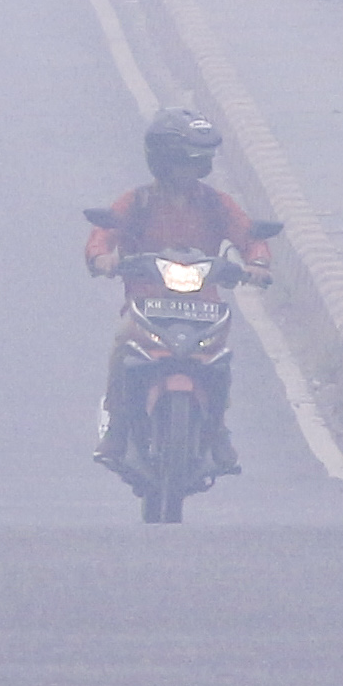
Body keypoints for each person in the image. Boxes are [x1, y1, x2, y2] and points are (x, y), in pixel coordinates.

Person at [88, 107, 273, 475]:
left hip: (204, 307)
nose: (191, 171)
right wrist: (102, 257)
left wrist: (257, 264)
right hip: (145, 305)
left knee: (219, 362)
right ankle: (118, 430)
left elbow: (249, 235)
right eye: (184, 162)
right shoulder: (137, 202)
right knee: (122, 347)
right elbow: (104, 234)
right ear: (164, 161)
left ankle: (217, 430)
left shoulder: (217, 204)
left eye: (197, 163)